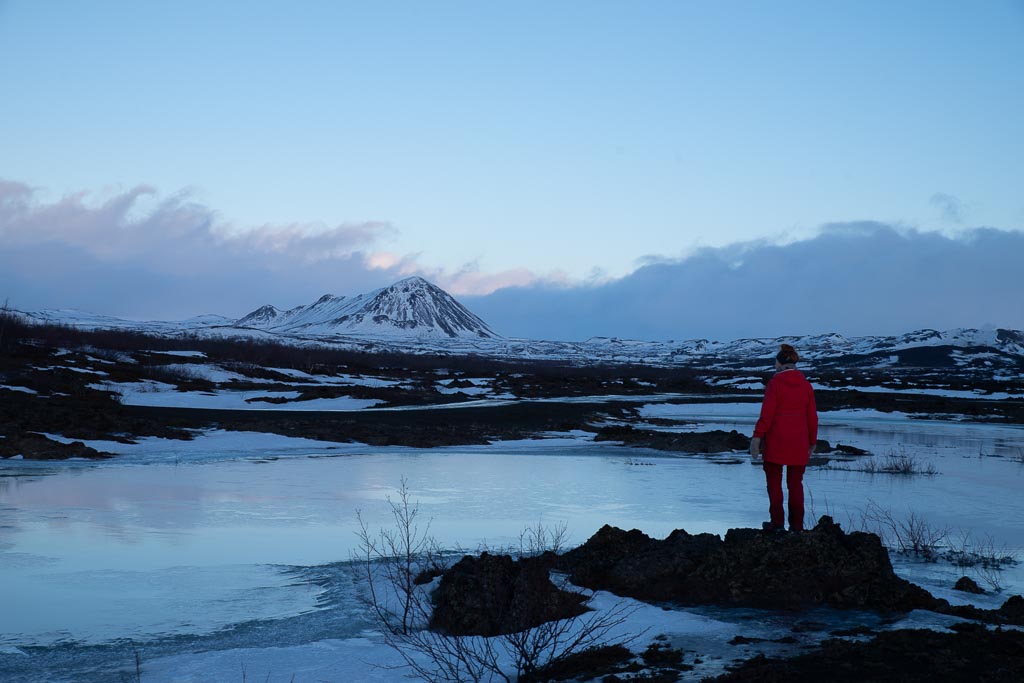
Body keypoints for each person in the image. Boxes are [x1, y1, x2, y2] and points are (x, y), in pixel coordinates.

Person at [749, 343, 818, 532]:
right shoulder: (806, 386)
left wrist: (757, 438)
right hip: (799, 442)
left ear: (779, 364)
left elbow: (767, 415)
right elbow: (812, 417)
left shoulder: (775, 384)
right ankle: (797, 526)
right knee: (795, 484)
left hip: (776, 442)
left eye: (775, 363)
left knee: (774, 483)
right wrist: (812, 441)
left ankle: (777, 523)